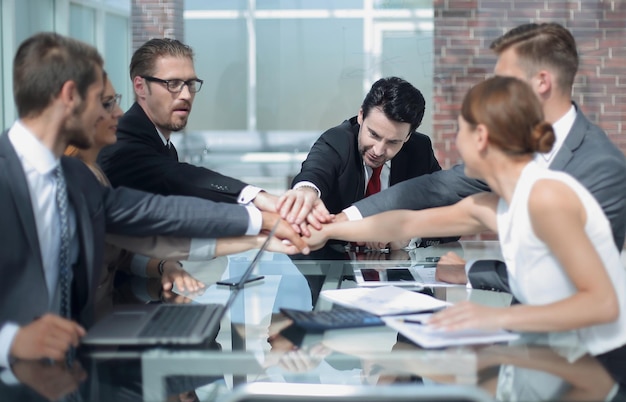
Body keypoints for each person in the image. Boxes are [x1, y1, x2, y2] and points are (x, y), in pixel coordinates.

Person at [0, 32, 308, 369]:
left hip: (78, 374)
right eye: (103, 102)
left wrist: (260, 226)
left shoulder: (76, 180)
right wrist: (13, 343)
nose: (118, 112)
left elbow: (155, 217)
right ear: (70, 97)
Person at [306, 76, 626, 356]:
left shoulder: (547, 197)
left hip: (598, 358)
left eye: (460, 131)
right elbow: (405, 221)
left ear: (481, 138)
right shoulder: (488, 204)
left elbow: (601, 304)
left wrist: (494, 319)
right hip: (553, 350)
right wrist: (330, 230)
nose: (455, 144)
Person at [335, 22, 626, 289]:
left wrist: (472, 273)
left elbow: (574, 279)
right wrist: (341, 221)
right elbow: (435, 188)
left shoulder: (602, 167)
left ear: (541, 82)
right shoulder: (514, 146)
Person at [66, 76, 304, 319]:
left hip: (109, 322)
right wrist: (261, 220)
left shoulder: (88, 173)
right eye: (107, 104)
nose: (118, 112)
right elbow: (163, 213)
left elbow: (128, 245)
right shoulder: (79, 176)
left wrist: (162, 265)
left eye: (191, 84)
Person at [97, 38, 328, 231]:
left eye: (190, 83)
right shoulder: (124, 138)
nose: (186, 94)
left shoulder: (161, 140)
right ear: (140, 87)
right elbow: (179, 178)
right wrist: (259, 199)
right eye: (173, 84)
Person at [279, 77, 441, 239]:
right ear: (361, 115)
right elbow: (315, 173)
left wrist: (408, 236)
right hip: (336, 260)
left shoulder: (419, 149)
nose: (378, 150)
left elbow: (447, 214)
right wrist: (306, 191)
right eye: (373, 134)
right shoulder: (337, 141)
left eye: (393, 142)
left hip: (396, 261)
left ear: (408, 137)